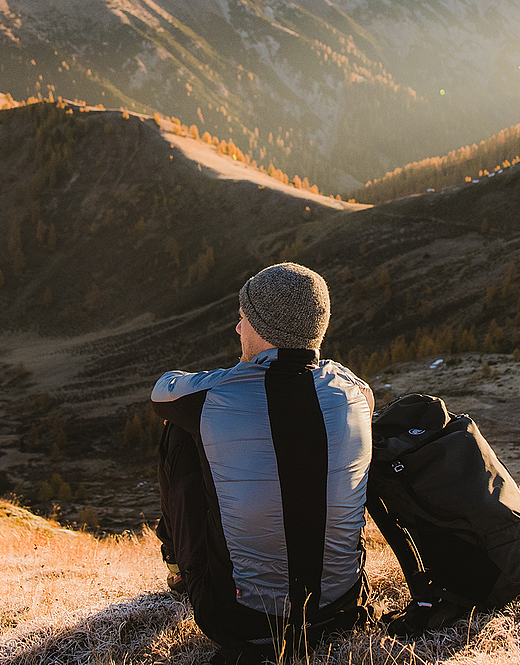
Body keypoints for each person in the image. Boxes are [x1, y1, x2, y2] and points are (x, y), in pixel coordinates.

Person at [151, 263, 376, 664]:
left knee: (181, 430)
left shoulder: (215, 395)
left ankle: (179, 569)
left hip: (239, 621)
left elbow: (161, 394)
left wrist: (234, 377)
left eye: (242, 319)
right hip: (340, 611)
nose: (238, 330)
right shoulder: (354, 391)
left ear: (261, 327)